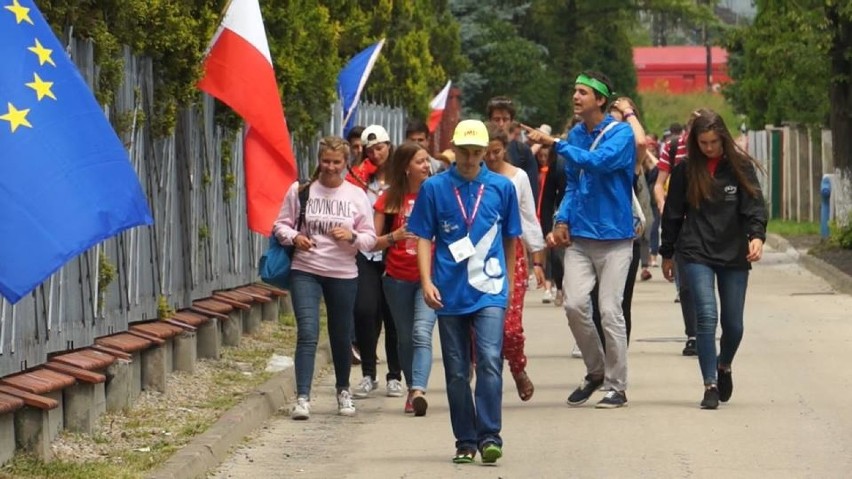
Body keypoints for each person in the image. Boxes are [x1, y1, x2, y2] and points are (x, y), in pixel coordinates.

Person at [408, 119, 521, 465]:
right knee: (457, 370)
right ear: (453, 151)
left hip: (489, 290)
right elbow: (424, 237)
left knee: (488, 359)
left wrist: (511, 285)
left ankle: (490, 435)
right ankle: (465, 440)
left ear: (485, 152)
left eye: (476, 153)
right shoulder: (435, 188)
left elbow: (510, 239)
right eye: (464, 152)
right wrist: (426, 281)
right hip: (449, 291)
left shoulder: (502, 187)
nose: (470, 159)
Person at [523, 70, 636, 409]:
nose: (575, 97)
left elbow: (598, 163)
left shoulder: (621, 135)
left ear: (600, 100)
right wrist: (561, 218)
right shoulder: (575, 133)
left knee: (610, 311)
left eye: (583, 92)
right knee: (573, 305)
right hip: (581, 239)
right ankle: (596, 371)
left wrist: (557, 145)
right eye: (574, 91)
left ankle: (617, 385)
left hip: (616, 239)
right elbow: (573, 184)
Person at [660, 109, 767, 409]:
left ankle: (724, 365)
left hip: (733, 251)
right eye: (703, 143)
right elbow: (673, 214)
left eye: (713, 142)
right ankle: (709, 384)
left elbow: (755, 207)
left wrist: (756, 236)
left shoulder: (740, 167)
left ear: (723, 138)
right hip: (696, 251)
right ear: (695, 142)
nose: (708, 148)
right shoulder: (685, 170)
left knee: (733, 325)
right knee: (706, 316)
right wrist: (667, 252)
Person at [272, 136, 377, 420]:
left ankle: (343, 390)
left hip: (343, 272)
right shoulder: (301, 190)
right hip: (306, 269)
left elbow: (370, 239)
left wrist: (352, 235)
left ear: (346, 163)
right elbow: (280, 225)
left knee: (341, 335)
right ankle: (303, 397)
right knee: (307, 332)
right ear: (319, 161)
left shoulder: (356, 196)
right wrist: (296, 237)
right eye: (326, 161)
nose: (331, 167)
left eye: (337, 162)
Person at [371, 141, 437, 416]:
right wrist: (393, 237)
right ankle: (411, 387)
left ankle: (419, 390)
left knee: (422, 333)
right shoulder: (389, 199)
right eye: (420, 161)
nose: (427, 166)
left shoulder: (437, 194)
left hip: (430, 279)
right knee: (405, 338)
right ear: (406, 167)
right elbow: (371, 243)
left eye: (427, 161)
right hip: (396, 279)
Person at [484, 122, 546, 402]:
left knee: (509, 326)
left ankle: (518, 368)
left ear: (504, 149)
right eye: (485, 153)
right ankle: (484, 376)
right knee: (480, 324)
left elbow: (528, 217)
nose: (490, 158)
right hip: (478, 257)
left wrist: (538, 260)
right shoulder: (473, 177)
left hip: (512, 255)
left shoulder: (517, 177)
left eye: (495, 152)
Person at [346, 125, 404, 400]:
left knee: (393, 316)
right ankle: (369, 374)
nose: (375, 154)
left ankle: (395, 374)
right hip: (366, 253)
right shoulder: (358, 178)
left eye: (379, 147)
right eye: (370, 150)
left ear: (389, 146)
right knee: (365, 311)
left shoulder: (401, 177)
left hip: (394, 252)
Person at [589, 97, 653, 347]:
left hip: (623, 237)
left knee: (618, 304)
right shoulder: (592, 149)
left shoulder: (630, 158)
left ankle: (616, 364)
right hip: (590, 234)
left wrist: (627, 111)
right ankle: (601, 360)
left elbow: (640, 141)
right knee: (592, 304)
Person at [655, 113, 701, 356]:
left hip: (709, 228)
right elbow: (658, 183)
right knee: (685, 286)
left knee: (703, 284)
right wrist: (664, 203)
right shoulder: (673, 148)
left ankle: (704, 329)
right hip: (681, 225)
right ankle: (693, 335)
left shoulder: (716, 152)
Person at [486, 96, 540, 205]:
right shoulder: (480, 148)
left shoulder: (522, 151)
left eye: (505, 119)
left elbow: (531, 190)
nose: (501, 124)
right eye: (497, 119)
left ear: (511, 121)